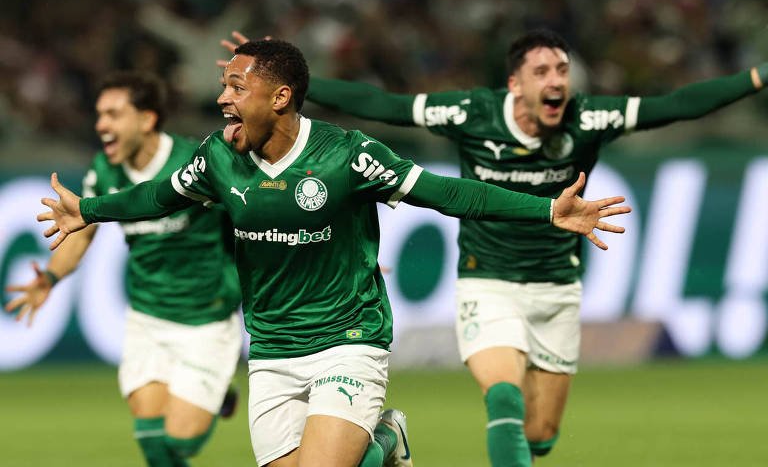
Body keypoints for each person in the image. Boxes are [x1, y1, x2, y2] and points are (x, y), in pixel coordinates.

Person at [36, 39, 630, 467]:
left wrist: (546, 208)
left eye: (237, 87)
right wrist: (87, 211)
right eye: (225, 87)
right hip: (270, 349)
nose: (222, 99)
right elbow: (158, 197)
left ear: (281, 96)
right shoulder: (219, 157)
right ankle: (384, 442)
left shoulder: (347, 155)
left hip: (348, 339)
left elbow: (447, 192)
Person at [286, 28, 768, 466]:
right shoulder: (473, 113)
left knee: (539, 436)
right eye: (542, 72)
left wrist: (755, 77)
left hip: (557, 287)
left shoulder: (590, 116)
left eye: (562, 70)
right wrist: (295, 83)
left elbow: (677, 105)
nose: (556, 80)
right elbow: (382, 104)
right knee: (503, 396)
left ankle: (391, 438)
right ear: (515, 85)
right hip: (487, 279)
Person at [5, 71, 243, 467]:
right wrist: (49, 278)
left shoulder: (198, 163)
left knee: (180, 444)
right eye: (100, 115)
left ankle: (217, 393)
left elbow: (253, 218)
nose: (101, 125)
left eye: (114, 114)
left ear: (147, 119)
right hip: (147, 319)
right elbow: (81, 234)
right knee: (153, 442)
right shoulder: (104, 170)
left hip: (207, 320)